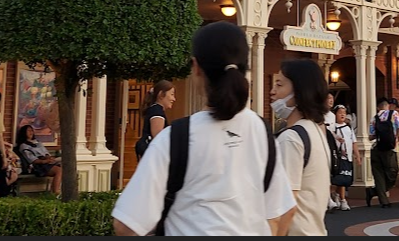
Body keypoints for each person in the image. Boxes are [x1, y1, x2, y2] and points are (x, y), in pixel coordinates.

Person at [112, 21, 296, 236]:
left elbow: (126, 225)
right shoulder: (262, 132)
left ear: (196, 67)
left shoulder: (175, 138)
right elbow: (283, 211)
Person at [272, 59, 330, 236]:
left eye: (279, 85)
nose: (272, 91)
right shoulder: (315, 131)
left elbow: (286, 204)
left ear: (299, 92)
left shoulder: (291, 138)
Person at [366, 97, 399, 208]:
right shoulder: (394, 114)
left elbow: (370, 137)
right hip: (390, 149)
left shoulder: (374, 118)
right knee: (393, 172)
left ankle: (382, 200)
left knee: (379, 175)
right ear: (387, 105)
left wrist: (380, 134)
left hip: (376, 149)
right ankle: (376, 193)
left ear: (378, 107)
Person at [327, 104, 360, 211]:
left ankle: (340, 198)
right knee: (336, 178)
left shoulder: (348, 127)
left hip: (347, 158)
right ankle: (337, 197)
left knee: (344, 179)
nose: (342, 115)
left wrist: (357, 156)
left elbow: (354, 142)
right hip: (337, 158)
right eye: (340, 113)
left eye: (344, 113)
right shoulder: (332, 128)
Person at [15, 124, 62, 195]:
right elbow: (32, 159)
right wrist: (45, 161)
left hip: (46, 162)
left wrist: (48, 158)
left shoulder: (37, 142)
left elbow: (45, 153)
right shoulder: (24, 146)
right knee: (59, 171)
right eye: (28, 131)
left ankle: (54, 191)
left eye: (32, 130)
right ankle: (56, 192)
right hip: (38, 165)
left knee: (62, 169)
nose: (31, 132)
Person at [135, 80, 175, 161]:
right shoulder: (157, 111)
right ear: (161, 94)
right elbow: (158, 138)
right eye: (172, 94)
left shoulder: (155, 109)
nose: (174, 99)